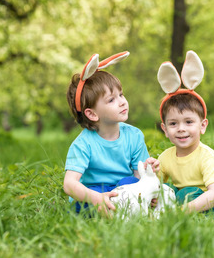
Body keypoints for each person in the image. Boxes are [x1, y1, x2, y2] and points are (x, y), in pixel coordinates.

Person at [63, 51, 158, 216]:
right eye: (111, 100)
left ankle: (122, 210)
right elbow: (69, 184)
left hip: (124, 188)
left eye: (121, 94)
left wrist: (148, 182)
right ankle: (111, 210)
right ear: (92, 114)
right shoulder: (83, 144)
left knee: (131, 182)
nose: (122, 102)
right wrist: (96, 198)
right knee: (80, 202)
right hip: (95, 192)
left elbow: (139, 175)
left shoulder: (134, 136)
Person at [156, 51, 214, 218]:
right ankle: (163, 221)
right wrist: (149, 173)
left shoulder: (207, 157)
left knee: (188, 192)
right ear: (164, 129)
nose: (181, 128)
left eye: (188, 122)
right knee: (166, 190)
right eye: (173, 123)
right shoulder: (165, 158)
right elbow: (155, 187)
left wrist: (180, 212)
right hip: (189, 207)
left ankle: (193, 222)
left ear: (203, 126)